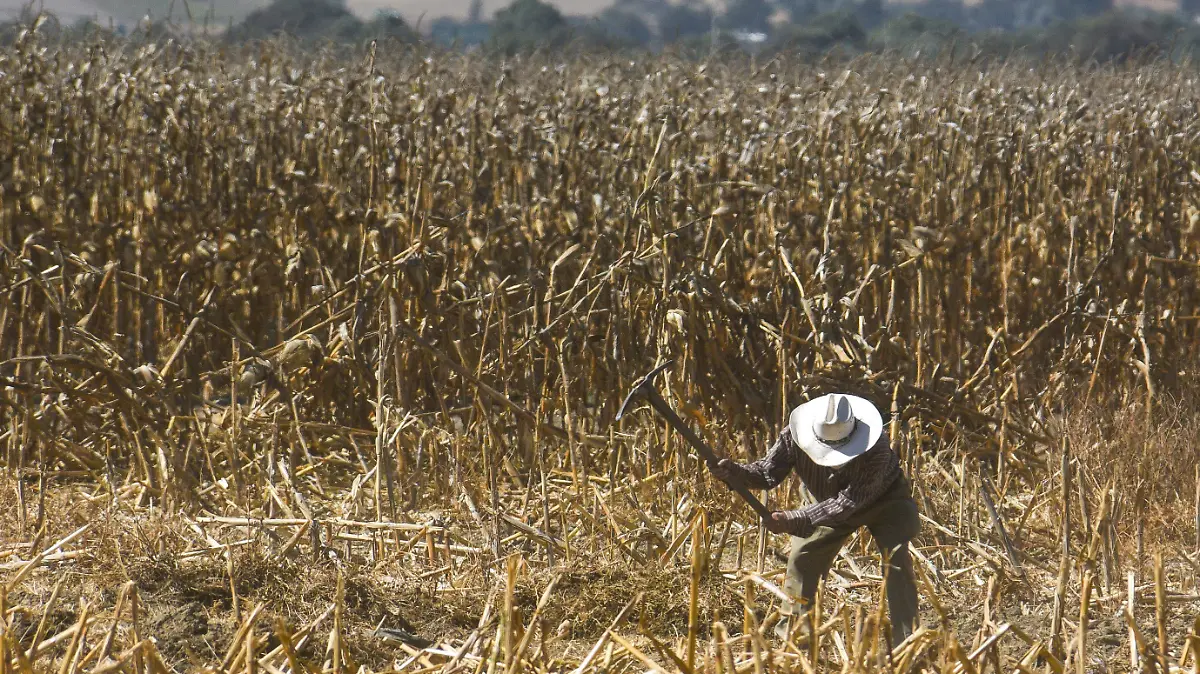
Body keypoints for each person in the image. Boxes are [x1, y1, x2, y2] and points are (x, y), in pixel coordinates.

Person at [711, 392, 921, 646]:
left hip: (884, 501)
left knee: (896, 561)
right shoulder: (793, 436)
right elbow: (767, 473)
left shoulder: (876, 448)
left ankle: (907, 640)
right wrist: (734, 473)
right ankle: (796, 641)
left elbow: (848, 503)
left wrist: (794, 519)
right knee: (802, 561)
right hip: (822, 499)